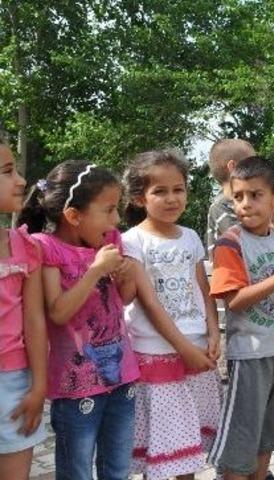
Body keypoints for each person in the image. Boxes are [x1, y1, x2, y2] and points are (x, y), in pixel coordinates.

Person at [19, 161, 140, 480]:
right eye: (109, 209)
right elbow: (58, 312)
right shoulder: (46, 248)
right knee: (77, 471)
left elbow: (123, 298)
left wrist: (126, 276)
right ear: (74, 216)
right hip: (76, 387)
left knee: (117, 469)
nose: (116, 219)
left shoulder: (110, 240)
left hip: (122, 377)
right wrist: (96, 270)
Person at [121, 150, 222, 479]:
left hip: (196, 350)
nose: (171, 198)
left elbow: (203, 289)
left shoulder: (191, 237)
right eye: (159, 191)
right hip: (159, 354)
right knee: (165, 450)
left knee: (188, 452)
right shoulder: (132, 241)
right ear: (140, 197)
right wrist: (184, 349)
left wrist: (214, 332)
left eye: (178, 189)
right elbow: (149, 304)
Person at [208, 156, 274, 479]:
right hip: (250, 355)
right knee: (241, 439)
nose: (245, 204)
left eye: (255, 195)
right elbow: (234, 301)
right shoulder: (231, 242)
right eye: (238, 197)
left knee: (268, 436)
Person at [0, 144, 48, 480]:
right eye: (7, 172)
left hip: (15, 384)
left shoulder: (25, 247)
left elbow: (34, 321)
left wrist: (38, 387)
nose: (21, 180)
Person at [205, 138, 257, 256]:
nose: (258, 170)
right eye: (252, 164)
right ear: (233, 167)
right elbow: (244, 242)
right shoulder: (220, 206)